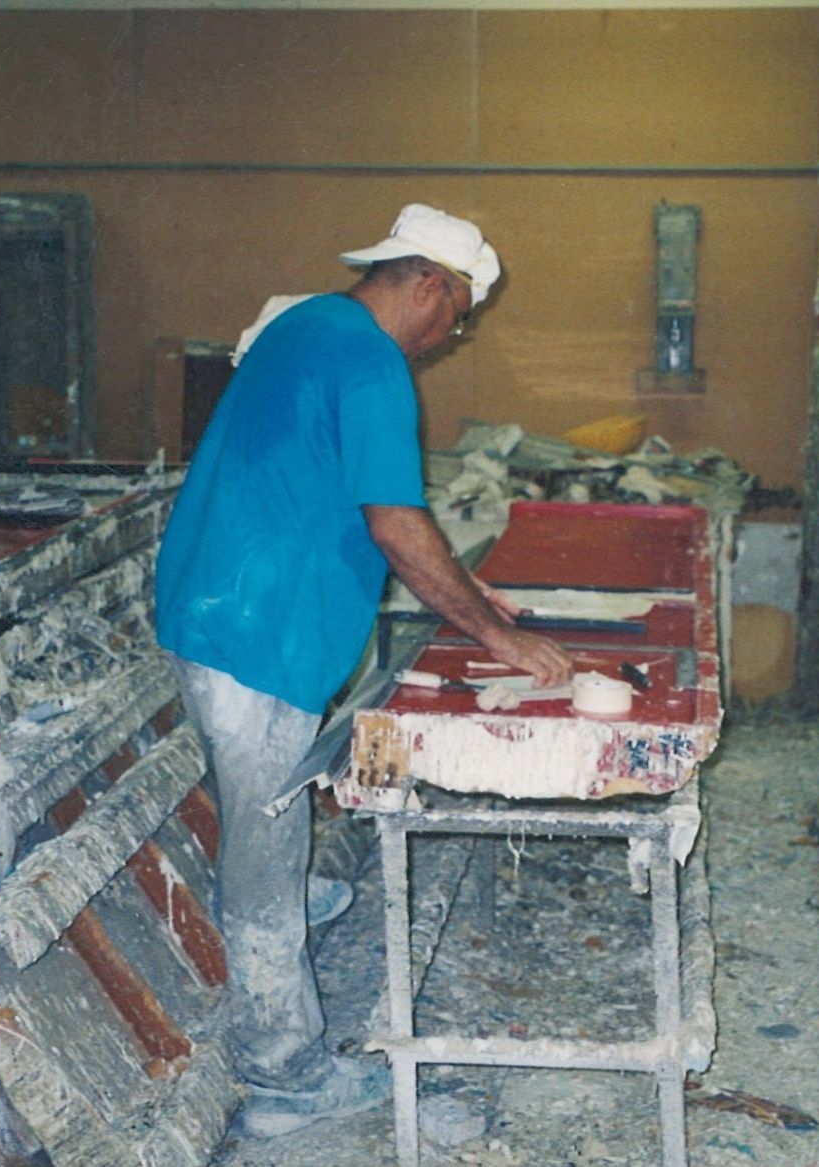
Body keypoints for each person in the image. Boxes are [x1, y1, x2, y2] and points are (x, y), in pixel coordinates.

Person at [153, 204, 574, 1138]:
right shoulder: (374, 363)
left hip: (214, 602)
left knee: (258, 815)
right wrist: (493, 635)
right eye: (457, 313)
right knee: (264, 840)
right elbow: (394, 521)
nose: (450, 335)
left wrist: (464, 591)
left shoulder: (306, 323)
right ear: (428, 284)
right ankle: (285, 1073)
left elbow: (323, 484)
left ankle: (274, 903)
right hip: (256, 625)